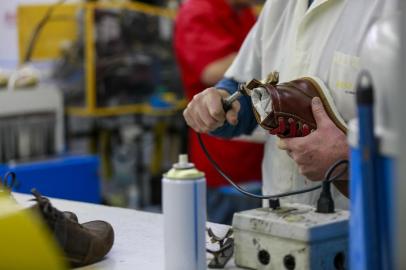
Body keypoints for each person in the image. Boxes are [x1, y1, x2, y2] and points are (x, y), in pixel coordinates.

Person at [183, 0, 394, 209]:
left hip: (364, 226)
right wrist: (222, 100)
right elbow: (246, 84)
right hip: (279, 217)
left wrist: (348, 158)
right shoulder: (280, 5)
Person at [174, 0, 264, 223]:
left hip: (259, 160)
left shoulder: (244, 13)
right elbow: (212, 70)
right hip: (225, 165)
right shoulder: (198, 11)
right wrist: (275, 52)